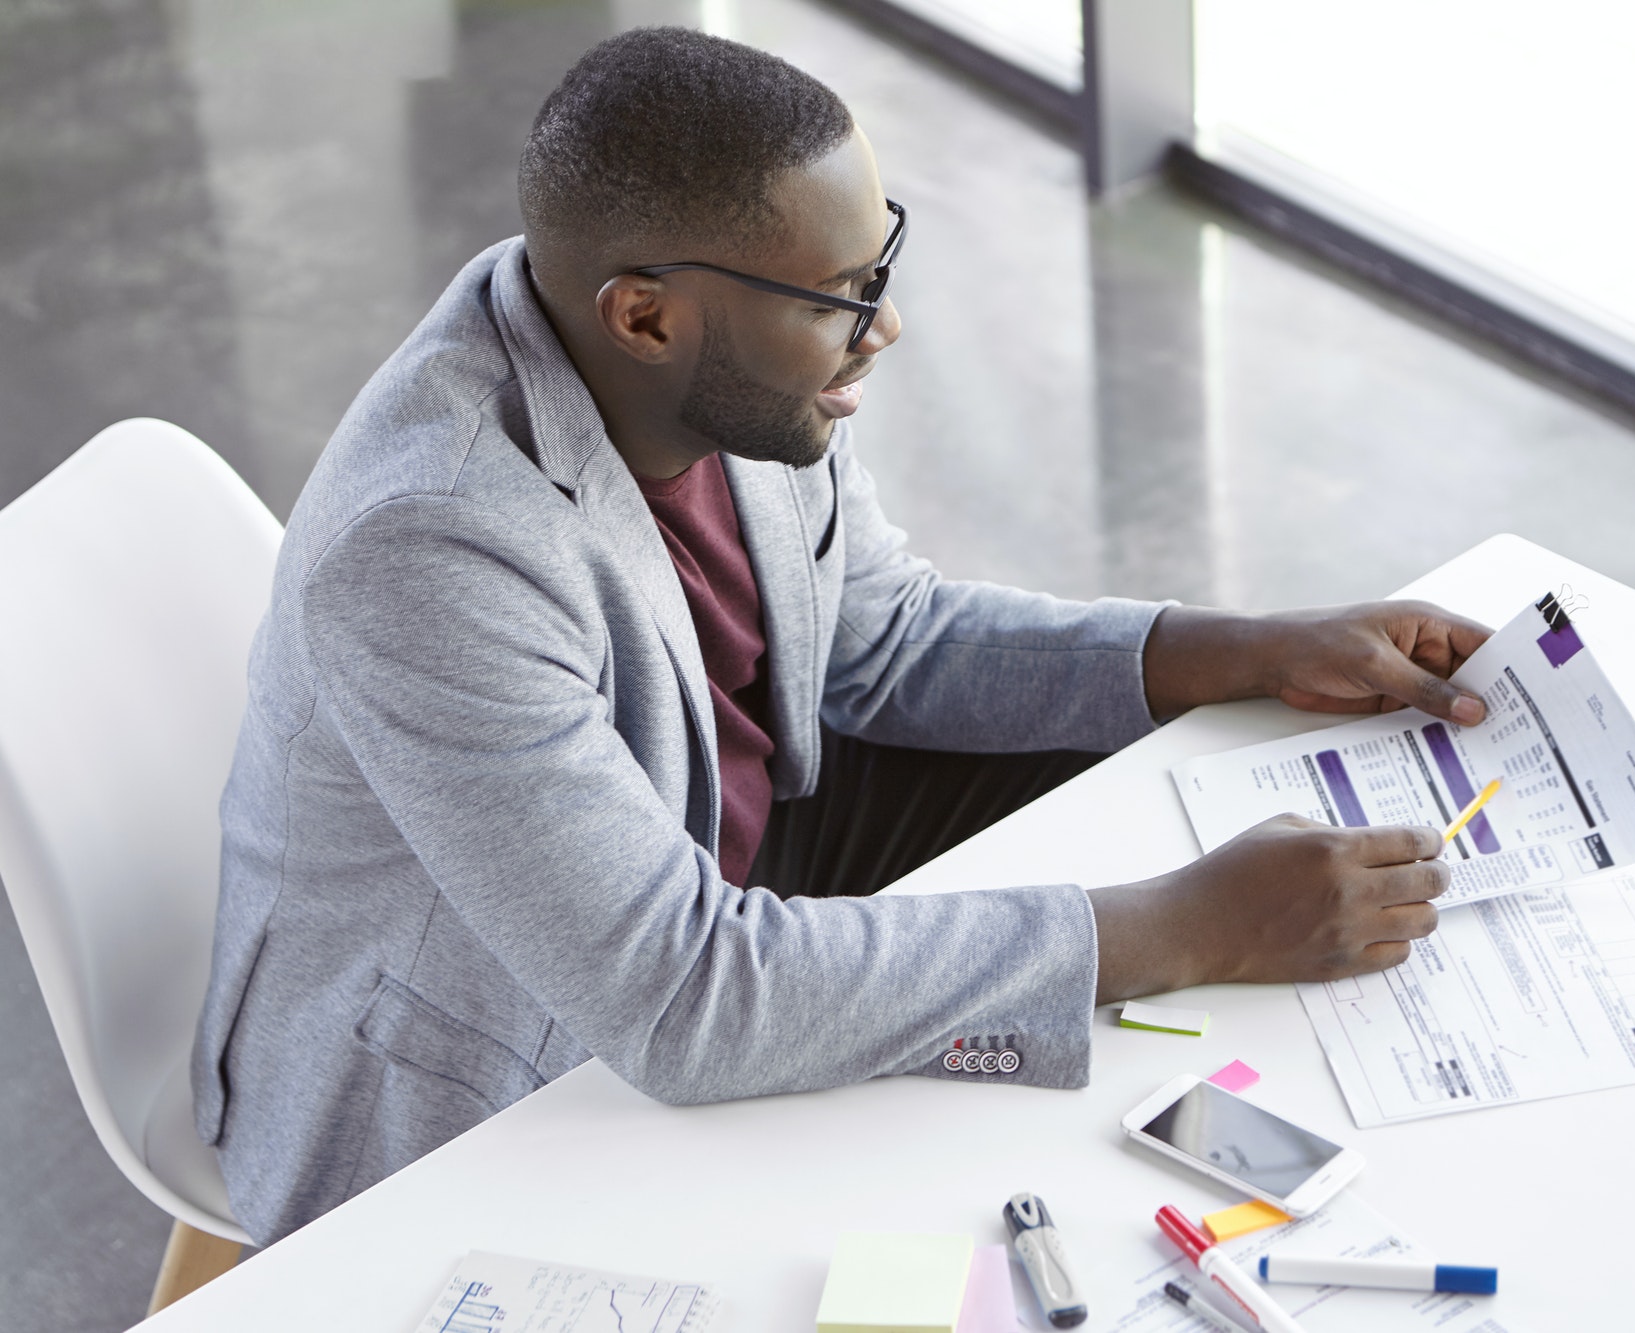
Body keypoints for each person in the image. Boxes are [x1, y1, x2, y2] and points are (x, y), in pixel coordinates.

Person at [191, 26, 1490, 1244]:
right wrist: (1192, 927)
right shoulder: (432, 547)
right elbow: (683, 1001)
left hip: (714, 840)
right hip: (487, 1061)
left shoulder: (718, 363)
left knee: (1153, 792)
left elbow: (888, 638)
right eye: (840, 296)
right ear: (645, 315)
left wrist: (1252, 648)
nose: (888, 325)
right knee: (1151, 935)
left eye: (883, 266)